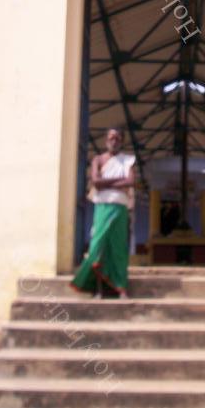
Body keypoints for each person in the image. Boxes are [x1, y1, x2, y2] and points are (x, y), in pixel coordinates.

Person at [71, 128, 135, 299]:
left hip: (120, 208)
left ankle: (121, 287)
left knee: (119, 248)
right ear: (106, 140)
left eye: (118, 138)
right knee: (98, 247)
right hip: (102, 208)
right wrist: (116, 182)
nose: (114, 141)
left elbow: (130, 181)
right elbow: (95, 182)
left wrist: (105, 182)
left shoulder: (127, 161)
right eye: (111, 138)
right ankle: (97, 288)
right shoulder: (98, 159)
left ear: (122, 141)